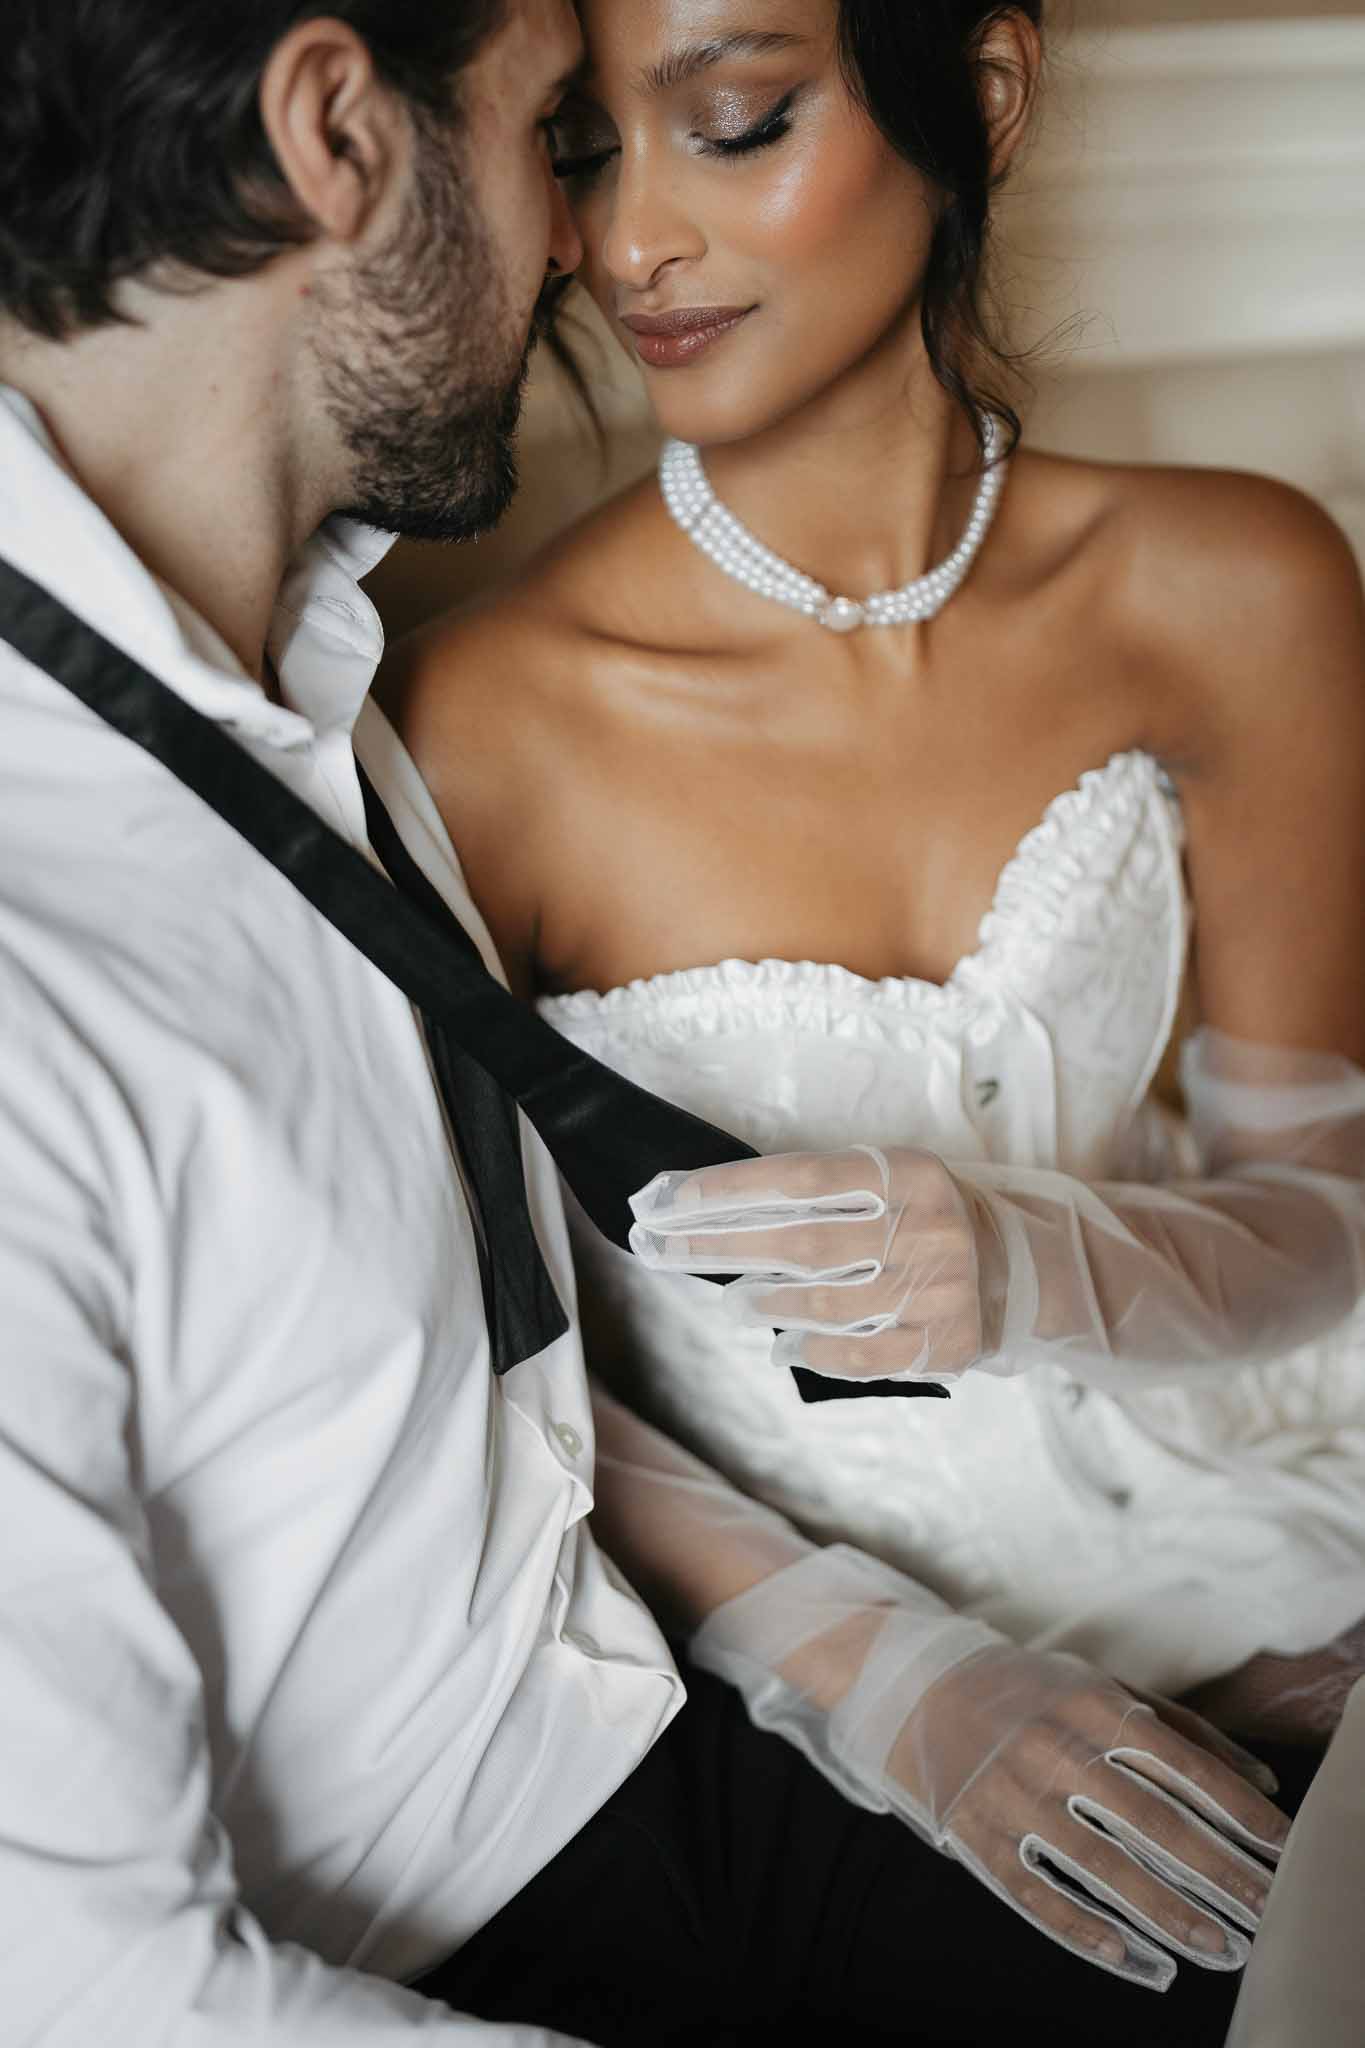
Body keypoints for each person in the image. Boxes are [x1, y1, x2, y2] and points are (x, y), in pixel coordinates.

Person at [0, 2, 1306, 2043]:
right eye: (552, 134)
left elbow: (478, 1359)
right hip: (465, 1929)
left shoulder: (286, 690)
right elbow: (93, 1993)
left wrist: (889, 1655)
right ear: (339, 132)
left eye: (722, 125)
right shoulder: (77, 927)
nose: (582, 252)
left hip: (679, 1744)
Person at [374, 0, 1365, 2024]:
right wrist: (896, 1672)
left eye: (731, 123)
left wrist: (1036, 1257)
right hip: (793, 1659)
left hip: (1246, 1499)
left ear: (976, 97)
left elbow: (1316, 1219)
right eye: (579, 148)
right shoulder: (480, 726)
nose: (626, 237)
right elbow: (503, 1382)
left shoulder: (1233, 584)